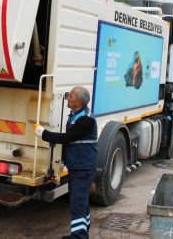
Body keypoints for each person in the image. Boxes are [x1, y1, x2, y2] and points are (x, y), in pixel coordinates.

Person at [35, 86, 98, 239]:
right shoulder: (76, 115)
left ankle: (78, 237)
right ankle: (82, 233)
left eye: (71, 95)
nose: (68, 97)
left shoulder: (86, 120)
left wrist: (44, 134)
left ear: (79, 101)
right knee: (81, 202)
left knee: (77, 204)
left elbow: (67, 138)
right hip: (78, 166)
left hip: (83, 168)